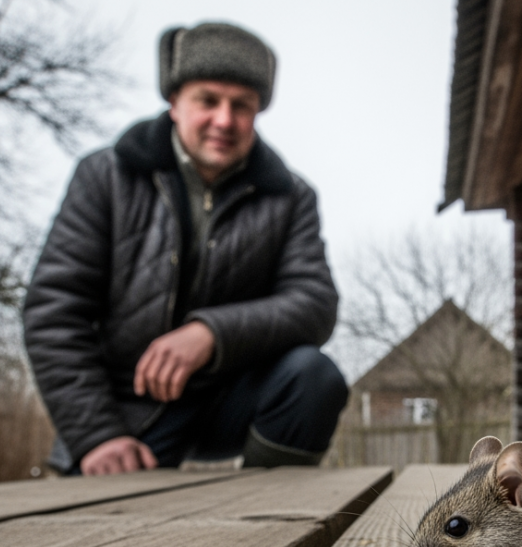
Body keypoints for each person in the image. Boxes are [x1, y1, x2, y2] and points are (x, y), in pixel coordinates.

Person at [24, 22, 348, 476]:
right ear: (175, 102)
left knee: (313, 378)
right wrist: (97, 434)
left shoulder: (291, 197)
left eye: (242, 106)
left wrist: (211, 334)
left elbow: (314, 303)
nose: (224, 120)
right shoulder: (105, 176)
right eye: (208, 100)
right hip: (128, 413)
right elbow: (54, 311)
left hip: (233, 399)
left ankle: (269, 512)